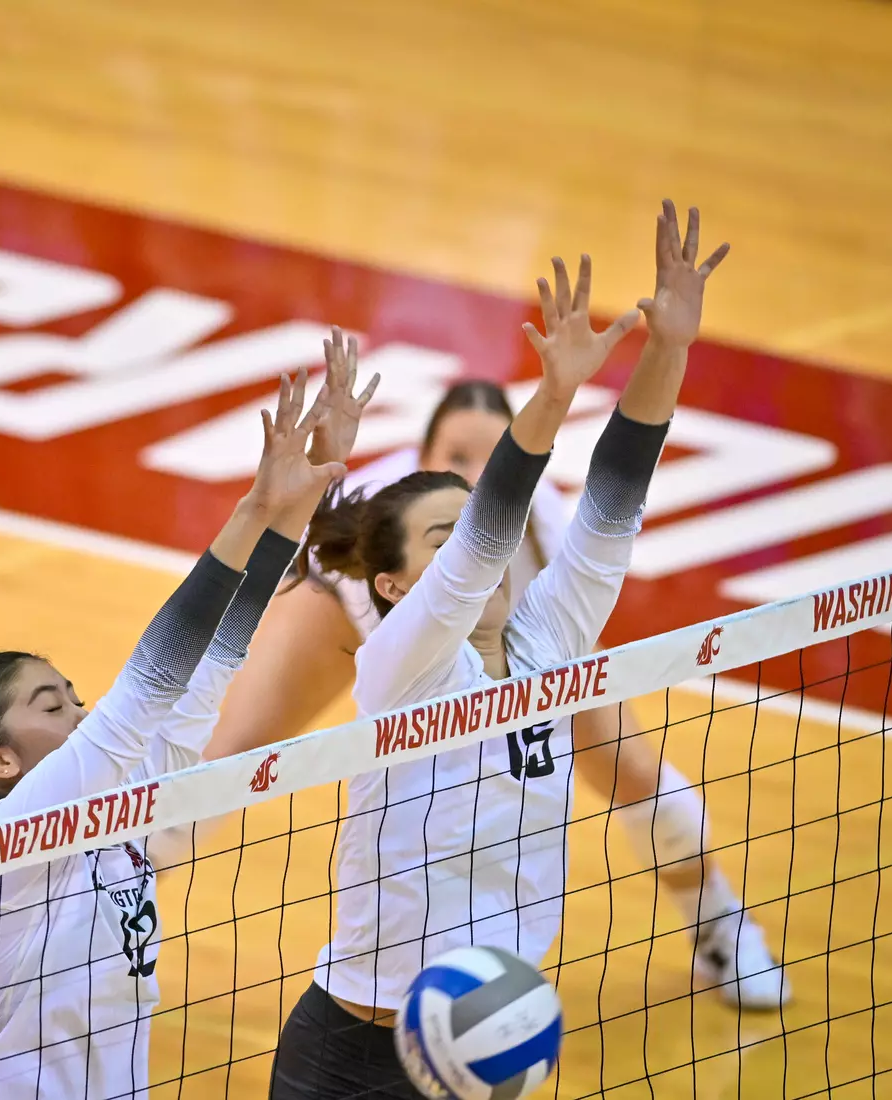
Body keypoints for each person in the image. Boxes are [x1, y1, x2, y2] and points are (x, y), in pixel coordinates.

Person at [269, 210, 778, 1099]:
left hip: (494, 1036)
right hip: (356, 1054)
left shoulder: (549, 643)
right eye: (446, 538)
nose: (486, 548)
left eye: (482, 531)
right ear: (394, 585)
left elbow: (616, 499)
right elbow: (482, 544)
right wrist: (551, 398)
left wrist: (668, 349)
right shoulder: (405, 664)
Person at [0, 358, 377, 1100]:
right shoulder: (1, 847)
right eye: (51, 707)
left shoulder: (118, 815)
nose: (82, 713)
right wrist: (252, 509)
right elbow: (148, 685)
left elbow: (216, 657)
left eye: (75, 697)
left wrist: (298, 506)